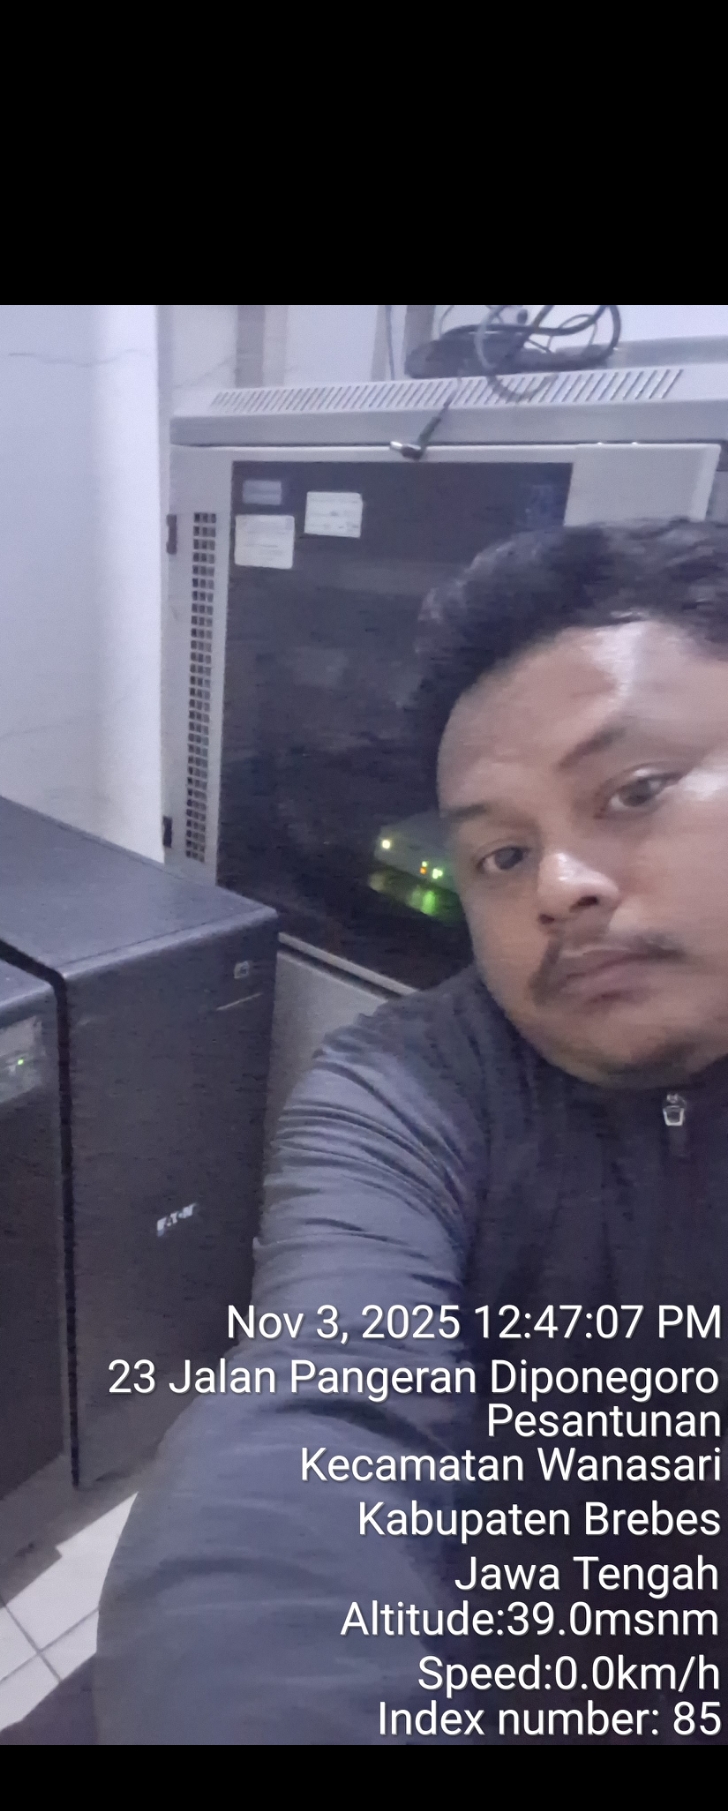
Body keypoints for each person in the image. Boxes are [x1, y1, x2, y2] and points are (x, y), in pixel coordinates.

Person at [93, 520, 728, 1745]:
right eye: (502, 853)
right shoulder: (405, 1089)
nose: (559, 887)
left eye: (636, 791)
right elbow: (313, 1410)